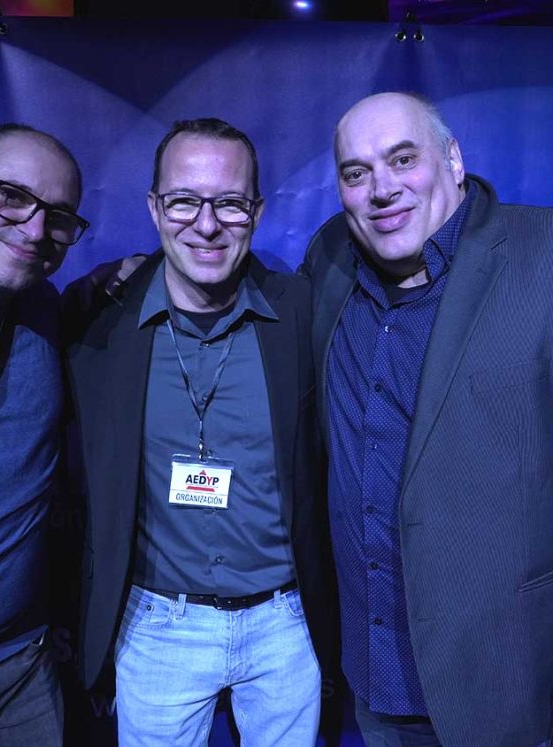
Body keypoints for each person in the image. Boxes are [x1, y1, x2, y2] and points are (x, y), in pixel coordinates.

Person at [65, 117, 336, 746]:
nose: (207, 225)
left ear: (257, 212)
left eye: (230, 204)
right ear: (154, 209)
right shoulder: (97, 322)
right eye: (184, 201)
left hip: (284, 625)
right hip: (157, 624)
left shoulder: (302, 312)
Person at [302, 91, 553, 747]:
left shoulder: (543, 255)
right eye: (356, 172)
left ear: (454, 160)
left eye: (403, 159)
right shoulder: (327, 261)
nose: (382, 188)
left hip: (510, 687)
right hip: (375, 684)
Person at [0, 123, 88, 745]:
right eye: (11, 196)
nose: (34, 231)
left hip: (19, 666)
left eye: (58, 217)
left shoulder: (46, 310)